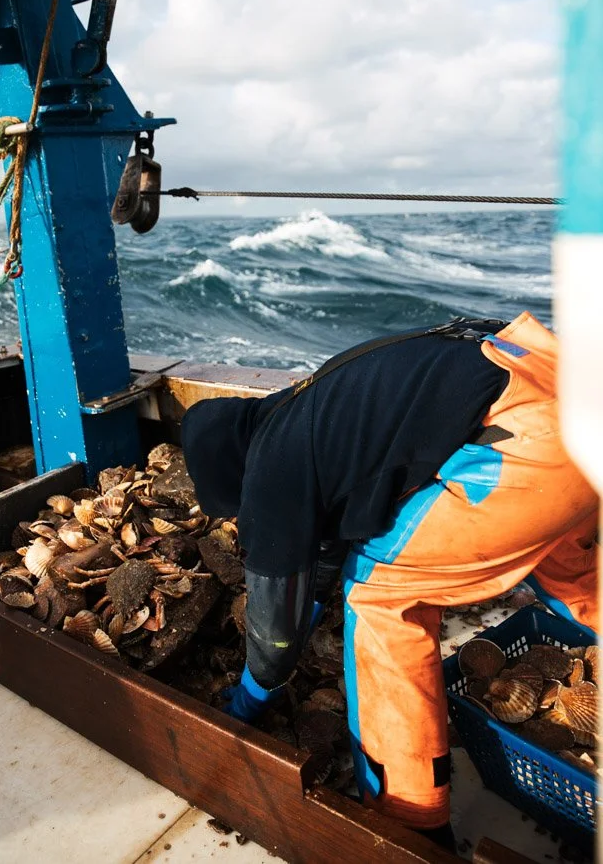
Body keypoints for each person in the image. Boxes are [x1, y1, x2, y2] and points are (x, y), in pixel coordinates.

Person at [180, 311, 599, 850]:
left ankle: (410, 814)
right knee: (571, 569)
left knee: (379, 595)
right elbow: (324, 550)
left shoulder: (269, 473)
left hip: (526, 449)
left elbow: (273, 633)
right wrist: (307, 605)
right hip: (567, 394)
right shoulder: (302, 413)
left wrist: (250, 698)